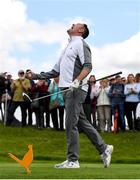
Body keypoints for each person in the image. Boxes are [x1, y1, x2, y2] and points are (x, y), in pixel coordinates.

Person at [31, 23, 113, 168]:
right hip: (68, 90)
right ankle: (104, 148)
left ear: (81, 30)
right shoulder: (67, 48)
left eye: (75, 25)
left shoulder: (81, 44)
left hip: (76, 89)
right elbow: (54, 72)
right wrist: (34, 76)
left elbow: (88, 66)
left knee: (70, 123)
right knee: (82, 122)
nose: (72, 25)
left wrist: (77, 80)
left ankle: (73, 160)